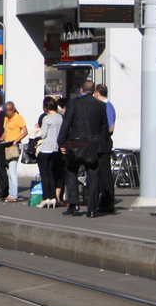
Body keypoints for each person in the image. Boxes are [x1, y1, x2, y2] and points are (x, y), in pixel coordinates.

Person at [58, 81, 110, 217]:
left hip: (76, 144)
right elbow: (104, 127)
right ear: (93, 91)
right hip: (94, 145)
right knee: (93, 175)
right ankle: (92, 209)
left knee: (70, 170)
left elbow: (66, 123)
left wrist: (61, 142)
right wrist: (103, 145)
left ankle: (73, 203)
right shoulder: (100, 105)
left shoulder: (73, 103)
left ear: (81, 90)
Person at [33, 96, 63, 208]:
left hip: (45, 149)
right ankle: (53, 198)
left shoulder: (47, 118)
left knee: (44, 175)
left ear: (45, 107)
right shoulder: (60, 118)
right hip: (56, 149)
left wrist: (37, 130)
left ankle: (45, 198)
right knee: (51, 174)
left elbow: (43, 134)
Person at [94, 84, 117, 212]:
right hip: (102, 142)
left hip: (104, 143)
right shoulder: (105, 106)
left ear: (97, 93)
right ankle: (102, 200)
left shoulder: (107, 106)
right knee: (101, 173)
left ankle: (108, 202)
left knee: (105, 174)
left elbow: (110, 126)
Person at [2, 101, 28, 202]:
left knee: (12, 170)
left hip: (14, 146)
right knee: (9, 171)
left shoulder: (18, 118)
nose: (7, 112)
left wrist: (16, 140)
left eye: (9, 110)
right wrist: (1, 139)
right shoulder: (6, 119)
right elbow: (5, 132)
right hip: (7, 145)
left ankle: (14, 194)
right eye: (6, 110)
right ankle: (11, 193)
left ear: (13, 109)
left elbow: (25, 131)